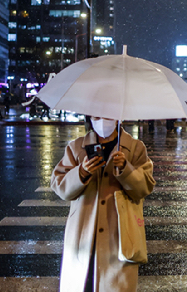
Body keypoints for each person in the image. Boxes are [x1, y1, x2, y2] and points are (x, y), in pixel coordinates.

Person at [51, 117, 155, 292]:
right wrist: (82, 172)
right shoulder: (76, 147)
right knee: (82, 284)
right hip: (83, 237)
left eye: (107, 115)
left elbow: (144, 188)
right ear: (90, 118)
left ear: (117, 118)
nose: (101, 121)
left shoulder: (136, 148)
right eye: (96, 116)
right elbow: (60, 186)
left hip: (119, 237)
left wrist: (125, 169)